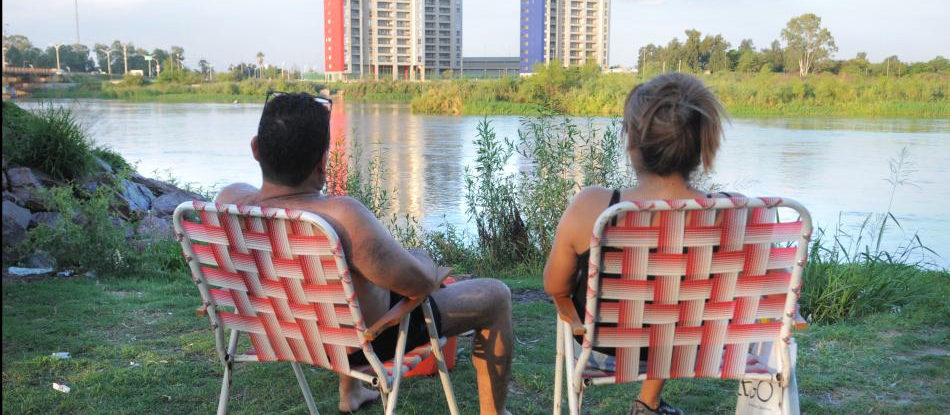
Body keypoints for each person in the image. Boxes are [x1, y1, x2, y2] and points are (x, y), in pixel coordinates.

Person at [216, 92, 513, 415]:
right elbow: (421, 284)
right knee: (496, 295)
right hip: (361, 344)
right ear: (322, 163)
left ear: (256, 149)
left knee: (347, 283)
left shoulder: (229, 202)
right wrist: (422, 256)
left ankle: (352, 392)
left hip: (277, 331)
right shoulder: (342, 217)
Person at [544, 73, 729, 415]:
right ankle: (649, 402)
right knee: (671, 306)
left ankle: (648, 402)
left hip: (603, 349)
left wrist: (565, 299)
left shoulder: (593, 206)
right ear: (704, 146)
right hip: (695, 347)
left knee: (660, 309)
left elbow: (555, 286)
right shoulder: (730, 212)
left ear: (631, 141)